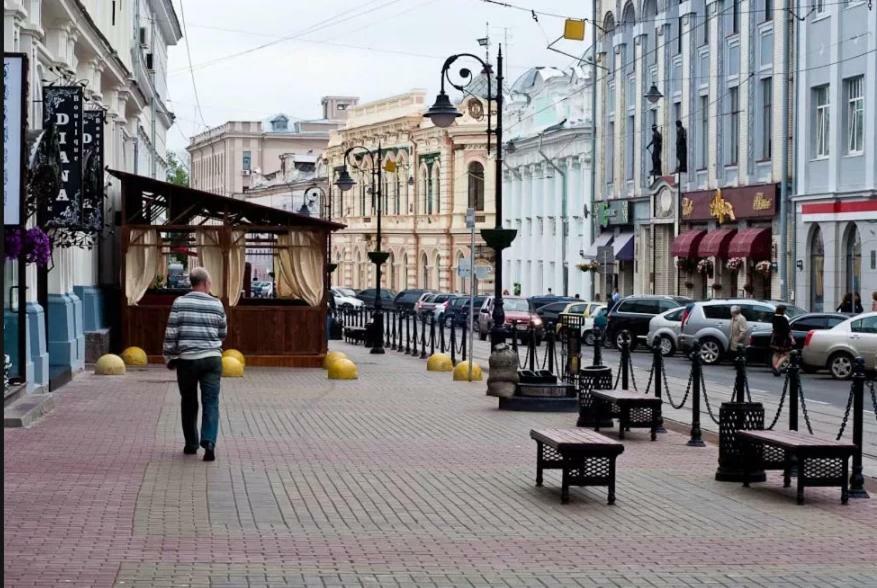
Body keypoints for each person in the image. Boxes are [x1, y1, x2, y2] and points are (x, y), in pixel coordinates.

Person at [163, 267, 227, 462]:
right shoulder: (217, 304)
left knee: (189, 402)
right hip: (211, 359)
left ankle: (191, 444)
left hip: (187, 361)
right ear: (206, 283)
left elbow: (171, 332)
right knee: (211, 401)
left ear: (192, 283)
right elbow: (222, 333)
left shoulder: (179, 303)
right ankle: (209, 442)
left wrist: (169, 357)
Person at [770, 305, 792, 377]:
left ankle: (775, 368)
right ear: (783, 311)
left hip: (775, 337)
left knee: (776, 353)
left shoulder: (774, 317)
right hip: (783, 338)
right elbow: (787, 330)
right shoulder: (783, 319)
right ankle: (777, 367)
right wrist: (791, 338)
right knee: (786, 354)